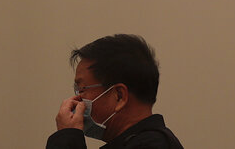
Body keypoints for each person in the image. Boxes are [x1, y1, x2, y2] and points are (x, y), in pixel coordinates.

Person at [47, 34, 184, 149]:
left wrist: (67, 137)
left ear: (119, 96)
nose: (77, 100)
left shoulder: (154, 145)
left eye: (82, 89)